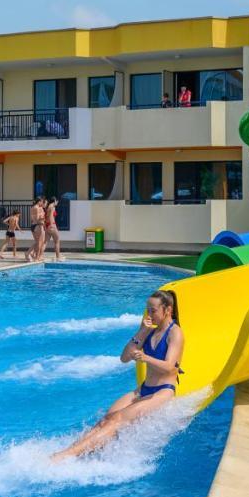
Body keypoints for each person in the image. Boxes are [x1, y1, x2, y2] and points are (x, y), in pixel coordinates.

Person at [53, 289, 184, 460]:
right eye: (147, 310)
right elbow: (124, 357)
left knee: (117, 419)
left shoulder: (175, 333)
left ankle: (66, 456)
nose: (150, 314)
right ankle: (75, 451)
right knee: (107, 419)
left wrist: (145, 357)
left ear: (167, 310)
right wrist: (142, 331)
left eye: (153, 310)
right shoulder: (150, 331)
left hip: (162, 391)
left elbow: (169, 367)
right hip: (143, 389)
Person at [44, 196, 62, 262]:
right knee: (57, 241)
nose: (57, 203)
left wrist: (47, 226)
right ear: (55, 201)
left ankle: (39, 255)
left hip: (47, 225)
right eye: (57, 201)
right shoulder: (52, 207)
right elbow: (51, 216)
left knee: (45, 242)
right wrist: (52, 225)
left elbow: (46, 217)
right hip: (52, 225)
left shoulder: (48, 207)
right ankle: (58, 257)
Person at [26, 197, 45, 262]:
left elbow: (32, 218)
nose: (42, 203)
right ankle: (33, 256)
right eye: (41, 201)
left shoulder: (33, 207)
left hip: (33, 225)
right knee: (39, 243)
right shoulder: (37, 208)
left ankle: (31, 254)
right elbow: (37, 219)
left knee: (37, 242)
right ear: (39, 201)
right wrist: (43, 219)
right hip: (37, 225)